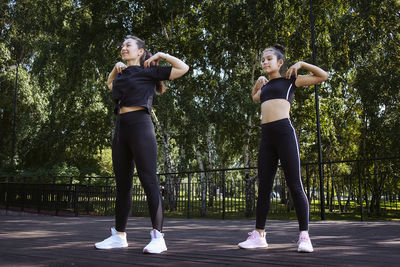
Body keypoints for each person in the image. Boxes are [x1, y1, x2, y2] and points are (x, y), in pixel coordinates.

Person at [95, 35, 189, 254]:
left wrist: (161, 55)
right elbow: (110, 85)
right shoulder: (121, 74)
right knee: (123, 185)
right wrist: (114, 69)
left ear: (140, 51)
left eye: (128, 45)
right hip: (121, 128)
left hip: (140, 126)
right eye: (122, 45)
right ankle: (119, 236)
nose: (123, 48)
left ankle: (158, 237)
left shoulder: (149, 71)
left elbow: (183, 68)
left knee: (149, 181)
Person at [238, 44, 329, 253]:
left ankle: (304, 236)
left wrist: (302, 64)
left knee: (295, 184)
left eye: (269, 59)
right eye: (262, 60)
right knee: (264, 188)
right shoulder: (265, 87)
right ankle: (259, 235)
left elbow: (323, 76)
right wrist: (257, 84)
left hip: (285, 134)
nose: (265, 62)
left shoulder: (291, 80)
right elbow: (254, 98)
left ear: (280, 63)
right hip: (266, 138)